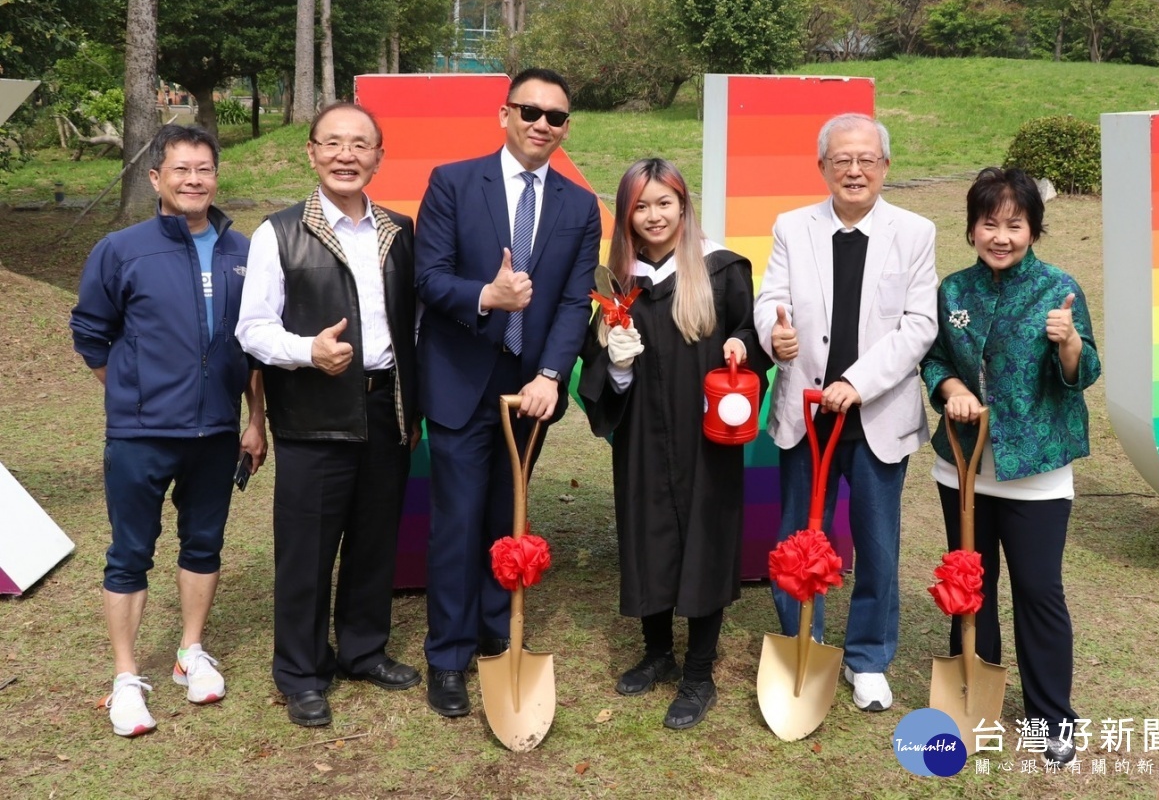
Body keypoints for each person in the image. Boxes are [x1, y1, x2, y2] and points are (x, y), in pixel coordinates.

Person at [414, 68, 601, 718]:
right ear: (505, 114)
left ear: (565, 127)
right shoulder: (454, 183)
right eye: (530, 111)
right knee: (458, 521)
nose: (541, 124)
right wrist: (485, 297)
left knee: (507, 516)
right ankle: (447, 655)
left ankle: (497, 634)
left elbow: (578, 301)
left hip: (531, 389)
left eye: (555, 116)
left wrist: (552, 375)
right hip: (462, 378)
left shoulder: (580, 206)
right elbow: (428, 278)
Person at [70, 124, 267, 737]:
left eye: (204, 168)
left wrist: (256, 421)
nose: (193, 179)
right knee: (130, 552)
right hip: (140, 432)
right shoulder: (121, 249)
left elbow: (256, 343)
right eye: (180, 169)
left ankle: (190, 652)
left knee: (203, 544)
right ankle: (127, 676)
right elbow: (90, 333)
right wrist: (131, 392)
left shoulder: (246, 251)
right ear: (156, 178)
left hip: (217, 432)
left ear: (216, 175)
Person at [236, 102, 420, 728]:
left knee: (374, 542)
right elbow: (253, 329)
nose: (347, 155)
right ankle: (301, 671)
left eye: (360, 144)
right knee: (307, 552)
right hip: (314, 414)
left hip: (385, 407)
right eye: (334, 143)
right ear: (311, 152)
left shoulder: (399, 231)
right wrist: (307, 352)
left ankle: (364, 651)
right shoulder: (278, 232)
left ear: (378, 156)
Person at [754, 113, 938, 712]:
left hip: (877, 415)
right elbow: (771, 302)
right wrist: (772, 337)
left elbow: (919, 327)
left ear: (885, 166)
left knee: (877, 541)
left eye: (866, 160)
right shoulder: (792, 227)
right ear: (823, 167)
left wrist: (857, 383)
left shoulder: (914, 233)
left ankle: (868, 656)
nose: (854, 170)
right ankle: (802, 638)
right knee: (798, 535)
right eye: (842, 160)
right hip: (805, 412)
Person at [578, 159, 769, 730]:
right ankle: (657, 652)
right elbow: (599, 373)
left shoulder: (722, 269)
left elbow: (751, 332)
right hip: (640, 432)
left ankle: (699, 673)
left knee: (705, 539)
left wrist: (740, 345)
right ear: (627, 214)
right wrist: (616, 366)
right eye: (641, 205)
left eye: (665, 203)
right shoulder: (618, 285)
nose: (654, 215)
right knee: (649, 532)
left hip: (706, 434)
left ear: (684, 206)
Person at [920, 167, 1100, 766]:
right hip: (964, 466)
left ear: (1034, 230)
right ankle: (974, 694)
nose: (1001, 236)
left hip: (1037, 471)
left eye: (1015, 224)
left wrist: (1068, 343)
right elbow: (936, 357)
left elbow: (1084, 373)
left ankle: (1053, 719)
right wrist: (949, 388)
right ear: (971, 228)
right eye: (989, 223)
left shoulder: (1059, 289)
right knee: (971, 583)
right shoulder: (953, 291)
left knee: (1038, 589)